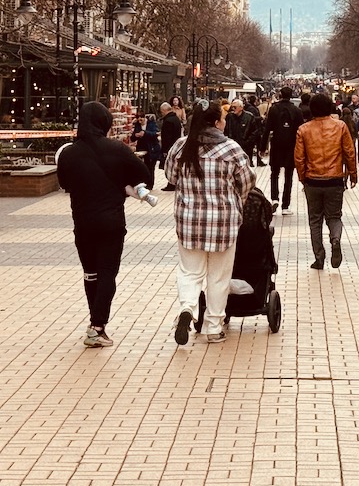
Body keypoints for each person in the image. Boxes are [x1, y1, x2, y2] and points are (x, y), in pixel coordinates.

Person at [57, 101, 155, 348]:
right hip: (111, 221)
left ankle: (95, 323)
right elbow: (145, 175)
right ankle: (97, 325)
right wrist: (123, 183)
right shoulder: (117, 150)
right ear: (105, 123)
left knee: (90, 273)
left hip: (82, 221)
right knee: (108, 272)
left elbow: (65, 183)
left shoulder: (69, 153)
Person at [165, 99, 254, 345]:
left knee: (190, 272)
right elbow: (247, 181)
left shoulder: (181, 146)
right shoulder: (231, 149)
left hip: (189, 223)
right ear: (217, 122)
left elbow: (170, 176)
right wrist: (237, 201)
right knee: (218, 276)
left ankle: (188, 309)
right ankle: (213, 327)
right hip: (223, 223)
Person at [295, 91, 357, 271]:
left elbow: (299, 158)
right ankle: (335, 238)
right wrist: (352, 174)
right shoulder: (340, 126)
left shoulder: (304, 129)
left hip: (313, 180)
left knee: (315, 220)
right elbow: (349, 152)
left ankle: (319, 258)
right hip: (335, 179)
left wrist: (302, 178)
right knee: (334, 216)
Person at [264, 85, 305, 214]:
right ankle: (285, 205)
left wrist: (262, 146)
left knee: (274, 173)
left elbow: (267, 129)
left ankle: (274, 198)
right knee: (289, 175)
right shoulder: (296, 111)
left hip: (276, 145)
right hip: (291, 146)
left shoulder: (274, 109)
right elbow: (301, 131)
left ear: (280, 95)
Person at [159, 102, 184, 190]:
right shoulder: (176, 119)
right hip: (176, 145)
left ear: (164, 110)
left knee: (169, 165)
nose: (161, 113)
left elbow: (167, 137)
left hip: (170, 146)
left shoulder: (168, 121)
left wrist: (165, 150)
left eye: (162, 111)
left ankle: (171, 184)